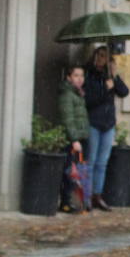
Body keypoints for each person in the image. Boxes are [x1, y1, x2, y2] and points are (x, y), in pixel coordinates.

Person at [83, 43, 130, 211]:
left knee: (102, 162)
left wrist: (115, 77)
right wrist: (105, 89)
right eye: (100, 56)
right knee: (91, 161)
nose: (103, 59)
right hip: (94, 122)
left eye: (106, 57)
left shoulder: (109, 76)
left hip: (108, 123)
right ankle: (87, 196)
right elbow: (89, 100)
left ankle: (98, 194)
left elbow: (124, 92)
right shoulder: (89, 75)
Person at [57, 64, 90, 213]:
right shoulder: (67, 95)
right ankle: (66, 202)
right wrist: (74, 139)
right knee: (70, 172)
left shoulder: (78, 94)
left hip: (80, 138)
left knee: (76, 172)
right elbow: (68, 119)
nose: (79, 79)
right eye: (76, 75)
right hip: (72, 140)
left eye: (81, 76)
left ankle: (74, 201)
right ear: (69, 78)